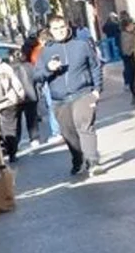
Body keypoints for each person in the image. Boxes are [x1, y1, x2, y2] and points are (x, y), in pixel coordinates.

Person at [38, 15, 103, 176]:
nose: (60, 31)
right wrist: (48, 69)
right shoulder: (46, 51)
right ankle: (78, 158)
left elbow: (95, 66)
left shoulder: (81, 45)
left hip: (83, 93)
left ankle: (93, 161)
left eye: (62, 27)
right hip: (59, 99)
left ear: (67, 27)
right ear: (50, 31)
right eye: (56, 29)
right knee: (69, 133)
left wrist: (97, 90)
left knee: (85, 126)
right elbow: (37, 76)